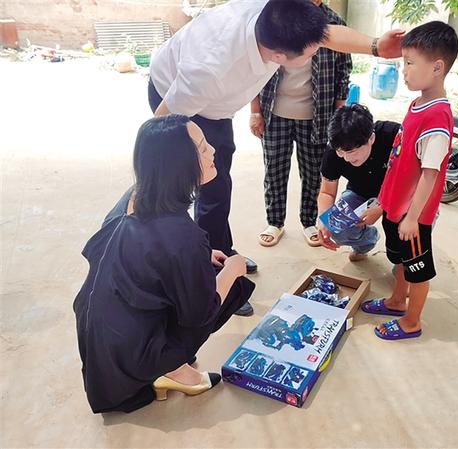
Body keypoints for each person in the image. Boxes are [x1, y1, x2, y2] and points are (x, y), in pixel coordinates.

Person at [148, 0, 404, 315]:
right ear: (280, 58)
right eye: (311, 53)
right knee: (196, 188)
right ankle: (213, 281)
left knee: (219, 185)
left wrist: (377, 46)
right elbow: (156, 135)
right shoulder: (209, 70)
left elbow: (324, 34)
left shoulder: (277, 17)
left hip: (217, 108)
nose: (317, 52)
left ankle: (221, 253)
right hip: (176, 100)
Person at [73, 115, 255, 413]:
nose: (212, 150)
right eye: (202, 148)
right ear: (178, 165)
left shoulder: (136, 196)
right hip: (131, 359)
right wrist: (233, 269)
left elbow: (144, 254)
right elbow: (201, 312)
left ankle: (165, 362)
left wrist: (199, 257)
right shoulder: (183, 236)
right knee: (231, 286)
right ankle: (171, 368)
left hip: (103, 346)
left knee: (204, 271)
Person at [360, 21, 458, 340]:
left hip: (414, 216)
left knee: (417, 268)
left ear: (437, 67)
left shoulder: (437, 117)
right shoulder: (417, 105)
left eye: (410, 63)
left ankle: (412, 321)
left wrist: (413, 217)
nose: (404, 71)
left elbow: (431, 175)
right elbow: (399, 163)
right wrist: (384, 204)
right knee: (402, 260)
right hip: (398, 209)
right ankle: (396, 301)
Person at [250, 0, 352, 248]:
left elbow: (344, 70)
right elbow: (255, 68)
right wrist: (255, 111)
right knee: (274, 169)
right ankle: (275, 222)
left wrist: (338, 113)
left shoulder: (334, 23)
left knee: (313, 173)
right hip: (274, 112)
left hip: (317, 115)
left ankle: (309, 222)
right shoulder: (277, 16)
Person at [317, 104, 400, 261]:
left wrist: (382, 207)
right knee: (333, 225)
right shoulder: (334, 152)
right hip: (360, 193)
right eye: (340, 151)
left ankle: (404, 261)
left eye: (351, 151)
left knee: (405, 228)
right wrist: (323, 220)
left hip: (400, 193)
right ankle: (367, 242)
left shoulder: (394, 136)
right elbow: (327, 192)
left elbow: (415, 180)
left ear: (371, 139)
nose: (346, 158)